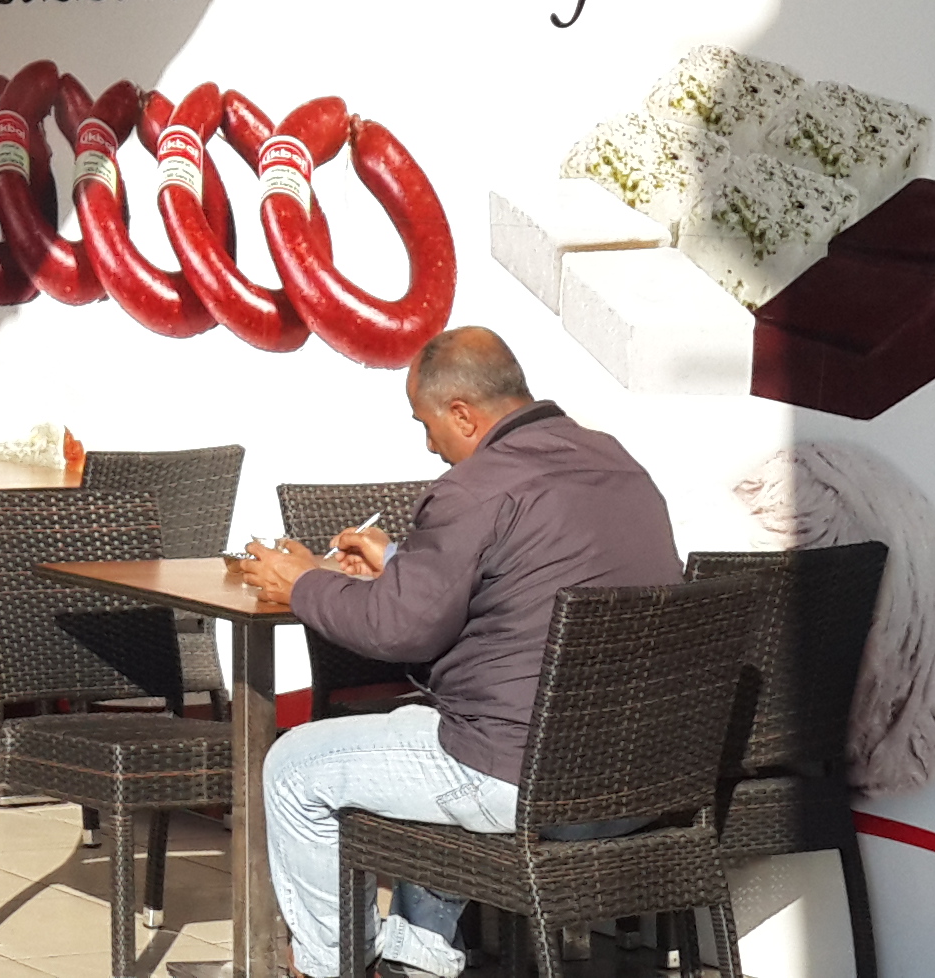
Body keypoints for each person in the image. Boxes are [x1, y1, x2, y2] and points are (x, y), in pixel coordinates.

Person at [232, 328, 681, 978]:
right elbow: (524, 582)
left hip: (526, 781)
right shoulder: (615, 462)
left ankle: (332, 966)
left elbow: (398, 631)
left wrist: (302, 584)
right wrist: (400, 563)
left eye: (426, 423)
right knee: (430, 732)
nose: (428, 444)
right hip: (645, 780)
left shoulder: (476, 488)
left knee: (294, 766)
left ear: (463, 414)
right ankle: (416, 959)